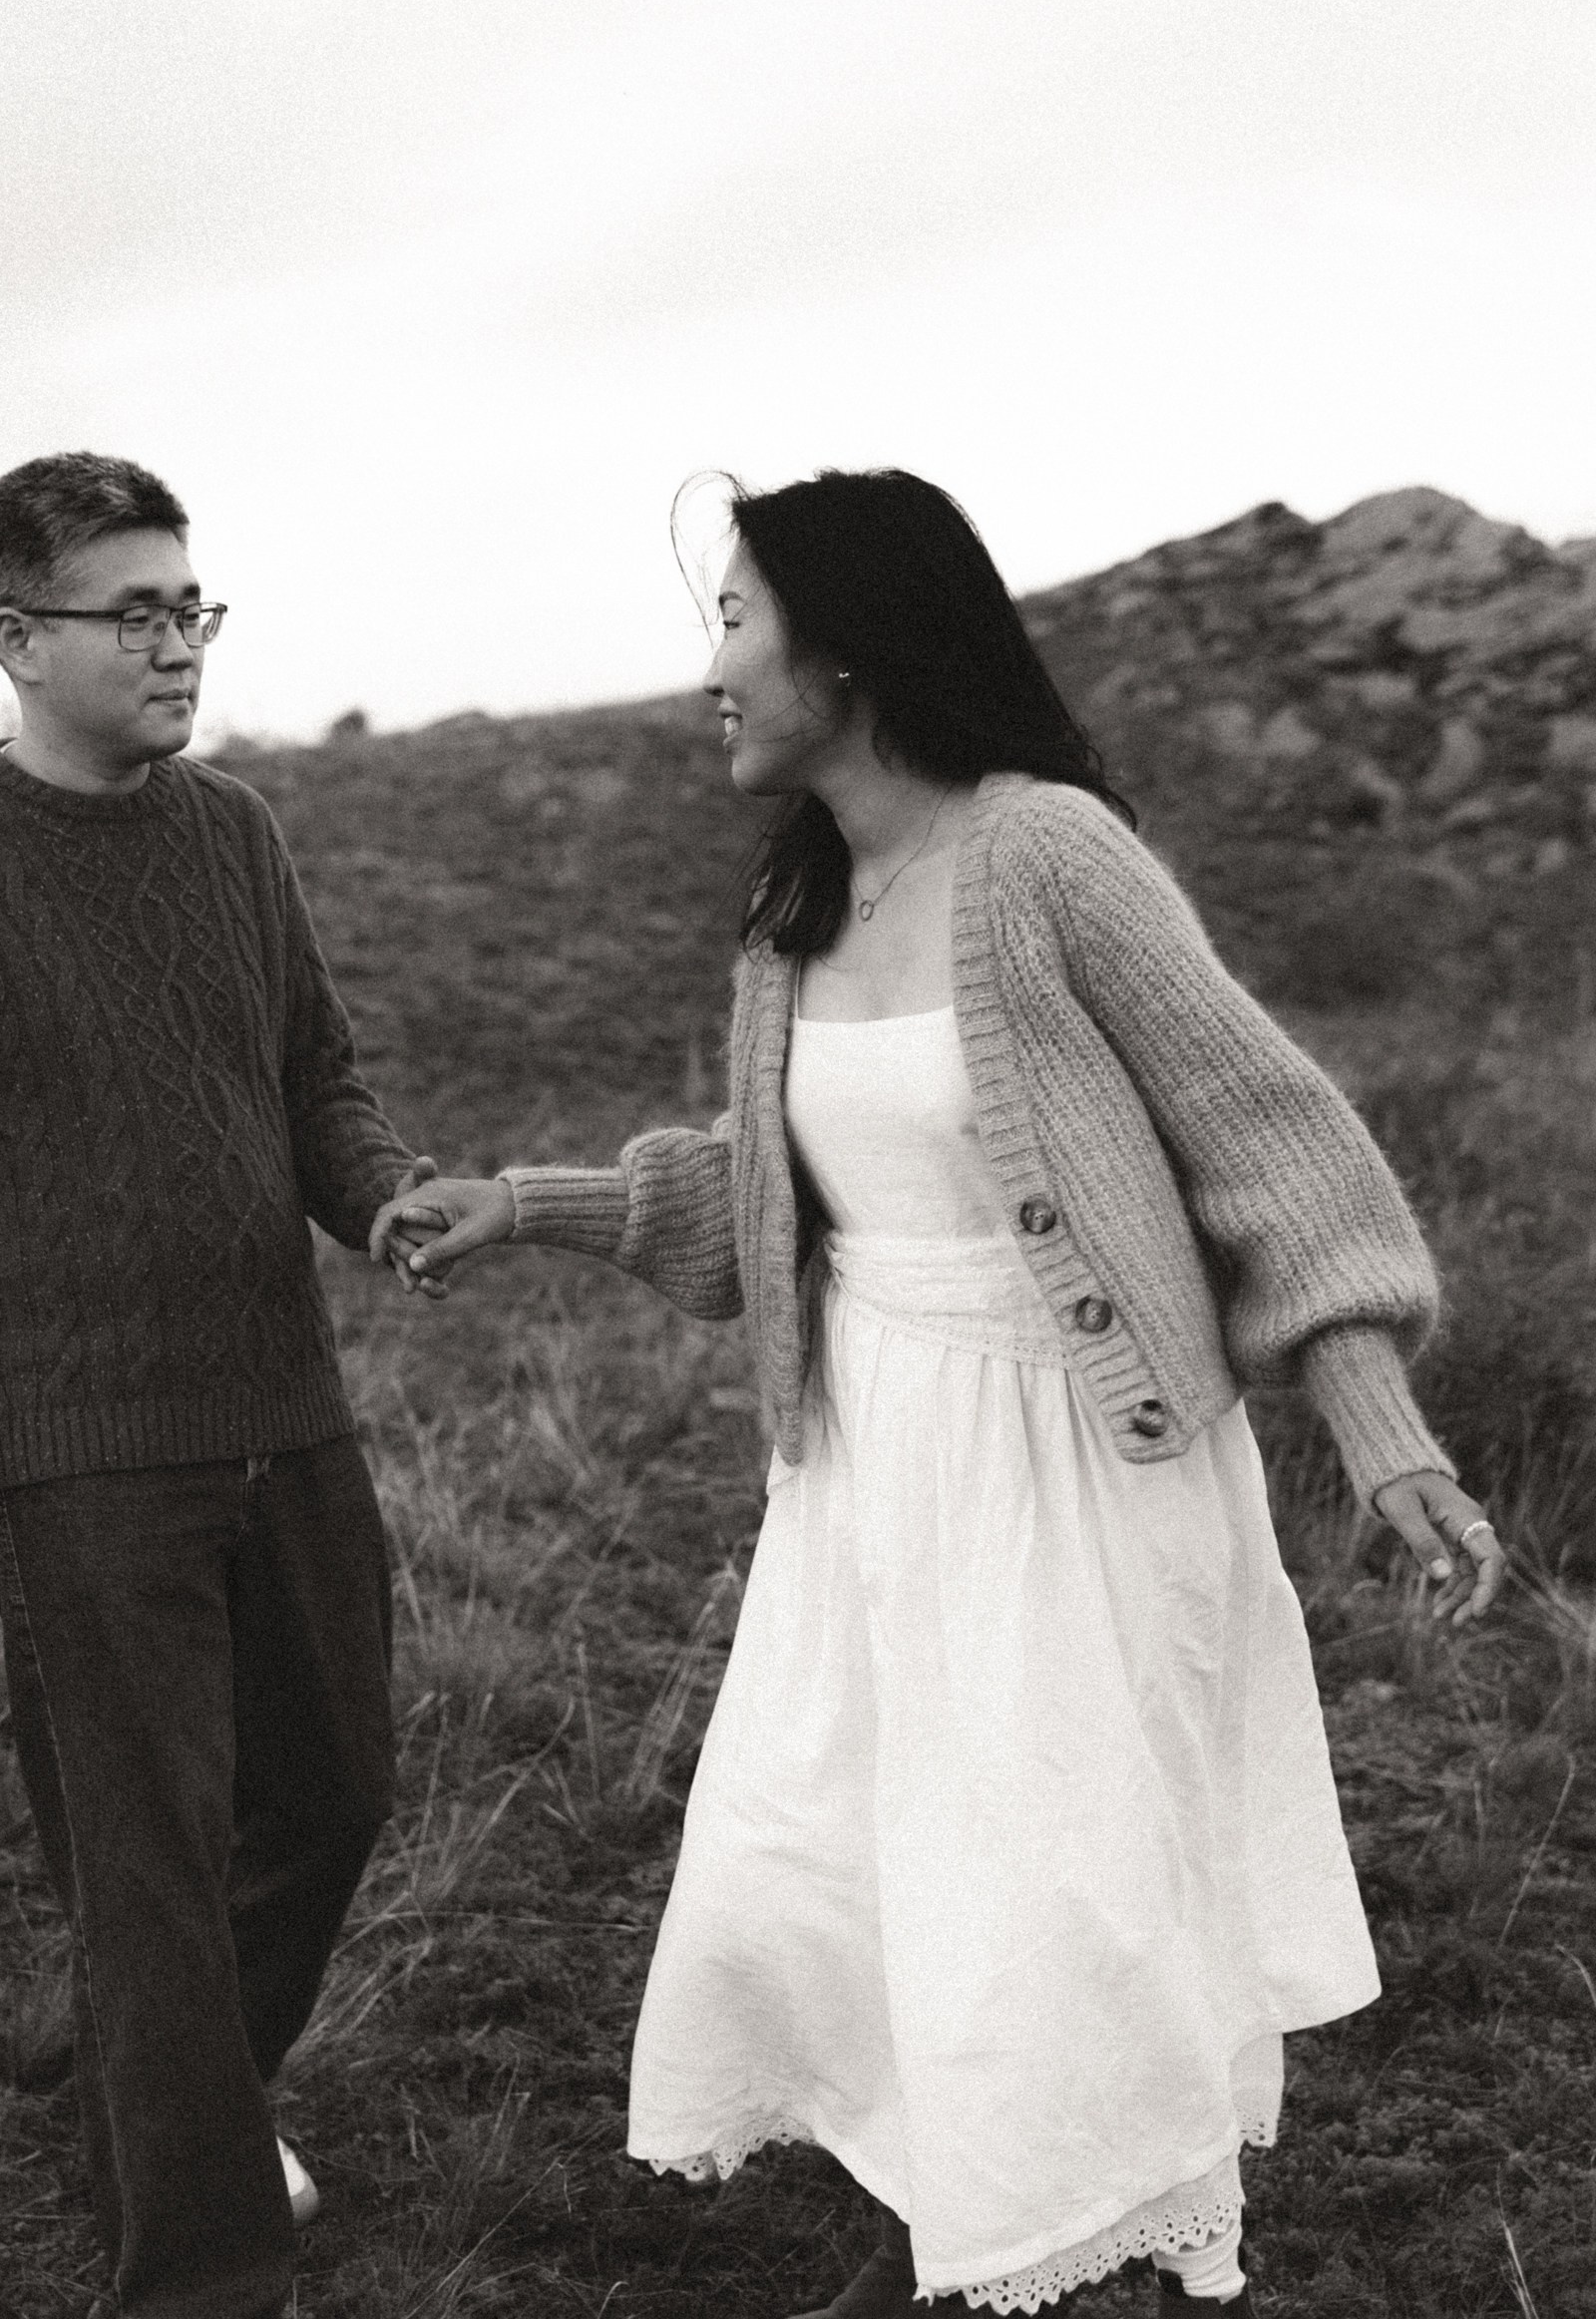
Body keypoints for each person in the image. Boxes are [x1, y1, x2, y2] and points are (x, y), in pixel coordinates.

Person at [371, 468, 1505, 2316]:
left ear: (850, 650)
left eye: (735, 620)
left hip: (1074, 1461)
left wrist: (1385, 1438)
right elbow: (787, 1183)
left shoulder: (1049, 855)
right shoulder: (798, 906)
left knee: (1056, 1894)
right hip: (865, 1462)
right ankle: (962, 2229)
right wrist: (533, 1204)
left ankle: (1077, 2243)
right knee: (858, 1867)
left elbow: (1271, 1143)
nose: (710, 671)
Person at [0, 451, 436, 2319]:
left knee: (334, 1794)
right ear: (18, 639)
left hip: (285, 1407)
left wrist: (385, 1195)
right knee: (152, 1872)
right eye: (135, 614)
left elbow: (315, 1075)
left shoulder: (238, 833)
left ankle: (142, 2080)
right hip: (77, 1456)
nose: (179, 644)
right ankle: (198, 2263)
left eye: (192, 607)